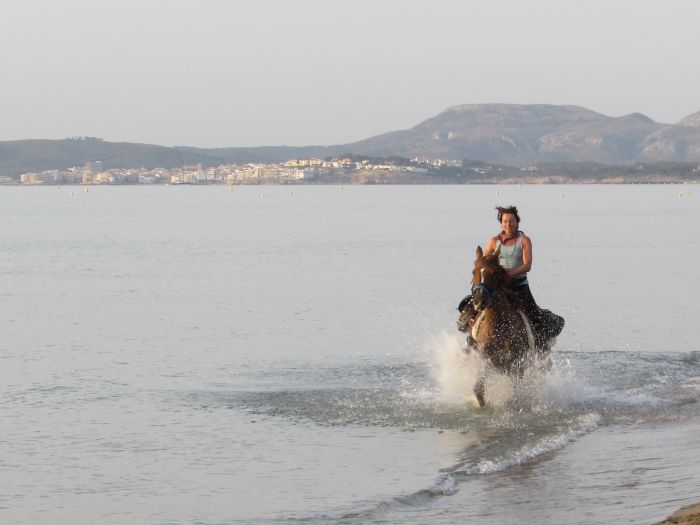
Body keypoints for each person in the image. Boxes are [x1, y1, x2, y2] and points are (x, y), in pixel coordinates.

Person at [457, 205, 564, 350]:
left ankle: (539, 345)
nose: (508, 224)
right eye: (505, 221)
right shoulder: (493, 241)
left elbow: (527, 265)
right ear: (501, 223)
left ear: (517, 222)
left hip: (519, 285)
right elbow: (485, 262)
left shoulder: (524, 240)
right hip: (498, 286)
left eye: (511, 221)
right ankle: (470, 341)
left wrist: (508, 273)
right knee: (470, 307)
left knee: (535, 315)